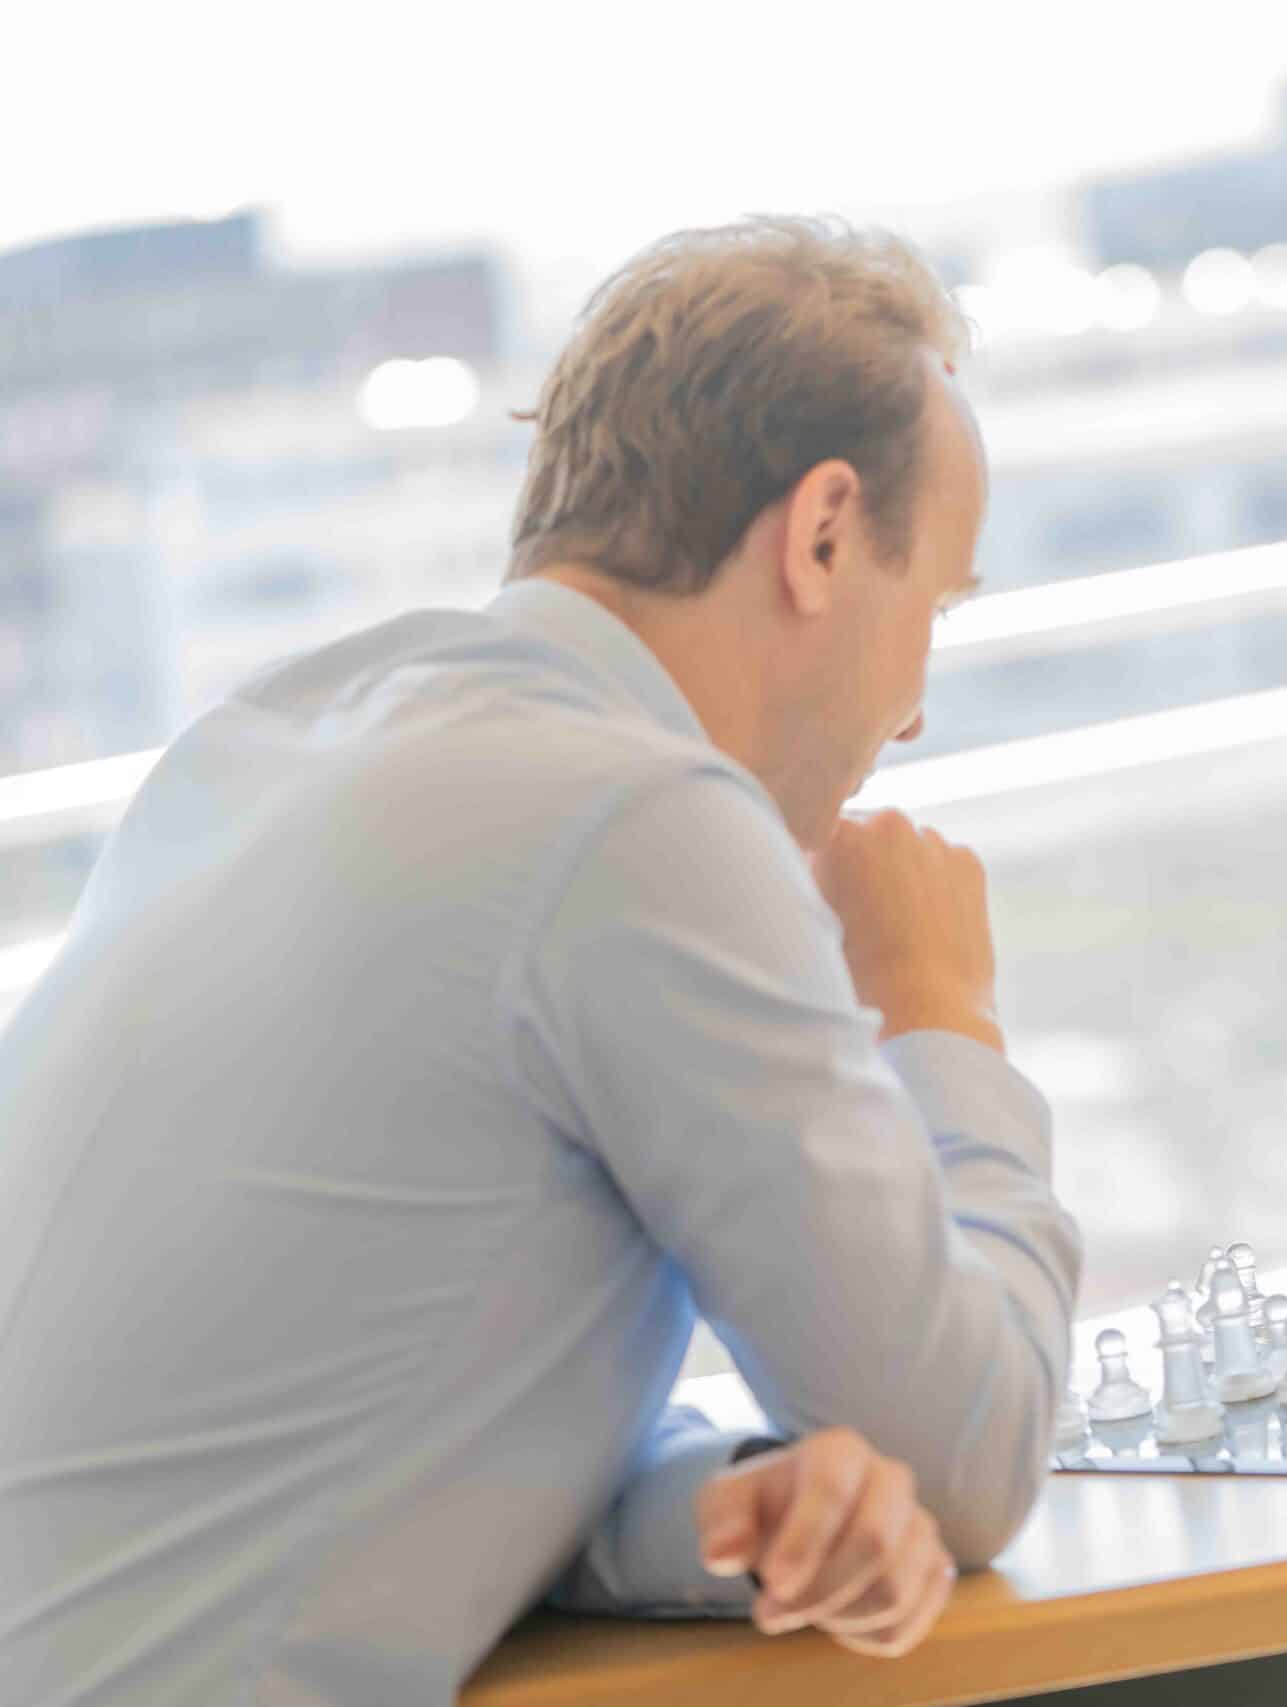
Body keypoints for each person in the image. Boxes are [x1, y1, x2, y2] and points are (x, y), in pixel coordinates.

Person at [0, 218, 1079, 1704]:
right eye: (933, 608)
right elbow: (974, 1457)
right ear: (823, 535)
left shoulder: (262, 745)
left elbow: (350, 1398)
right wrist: (940, 1014)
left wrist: (721, 1512)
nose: (911, 715)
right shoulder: (636, 813)